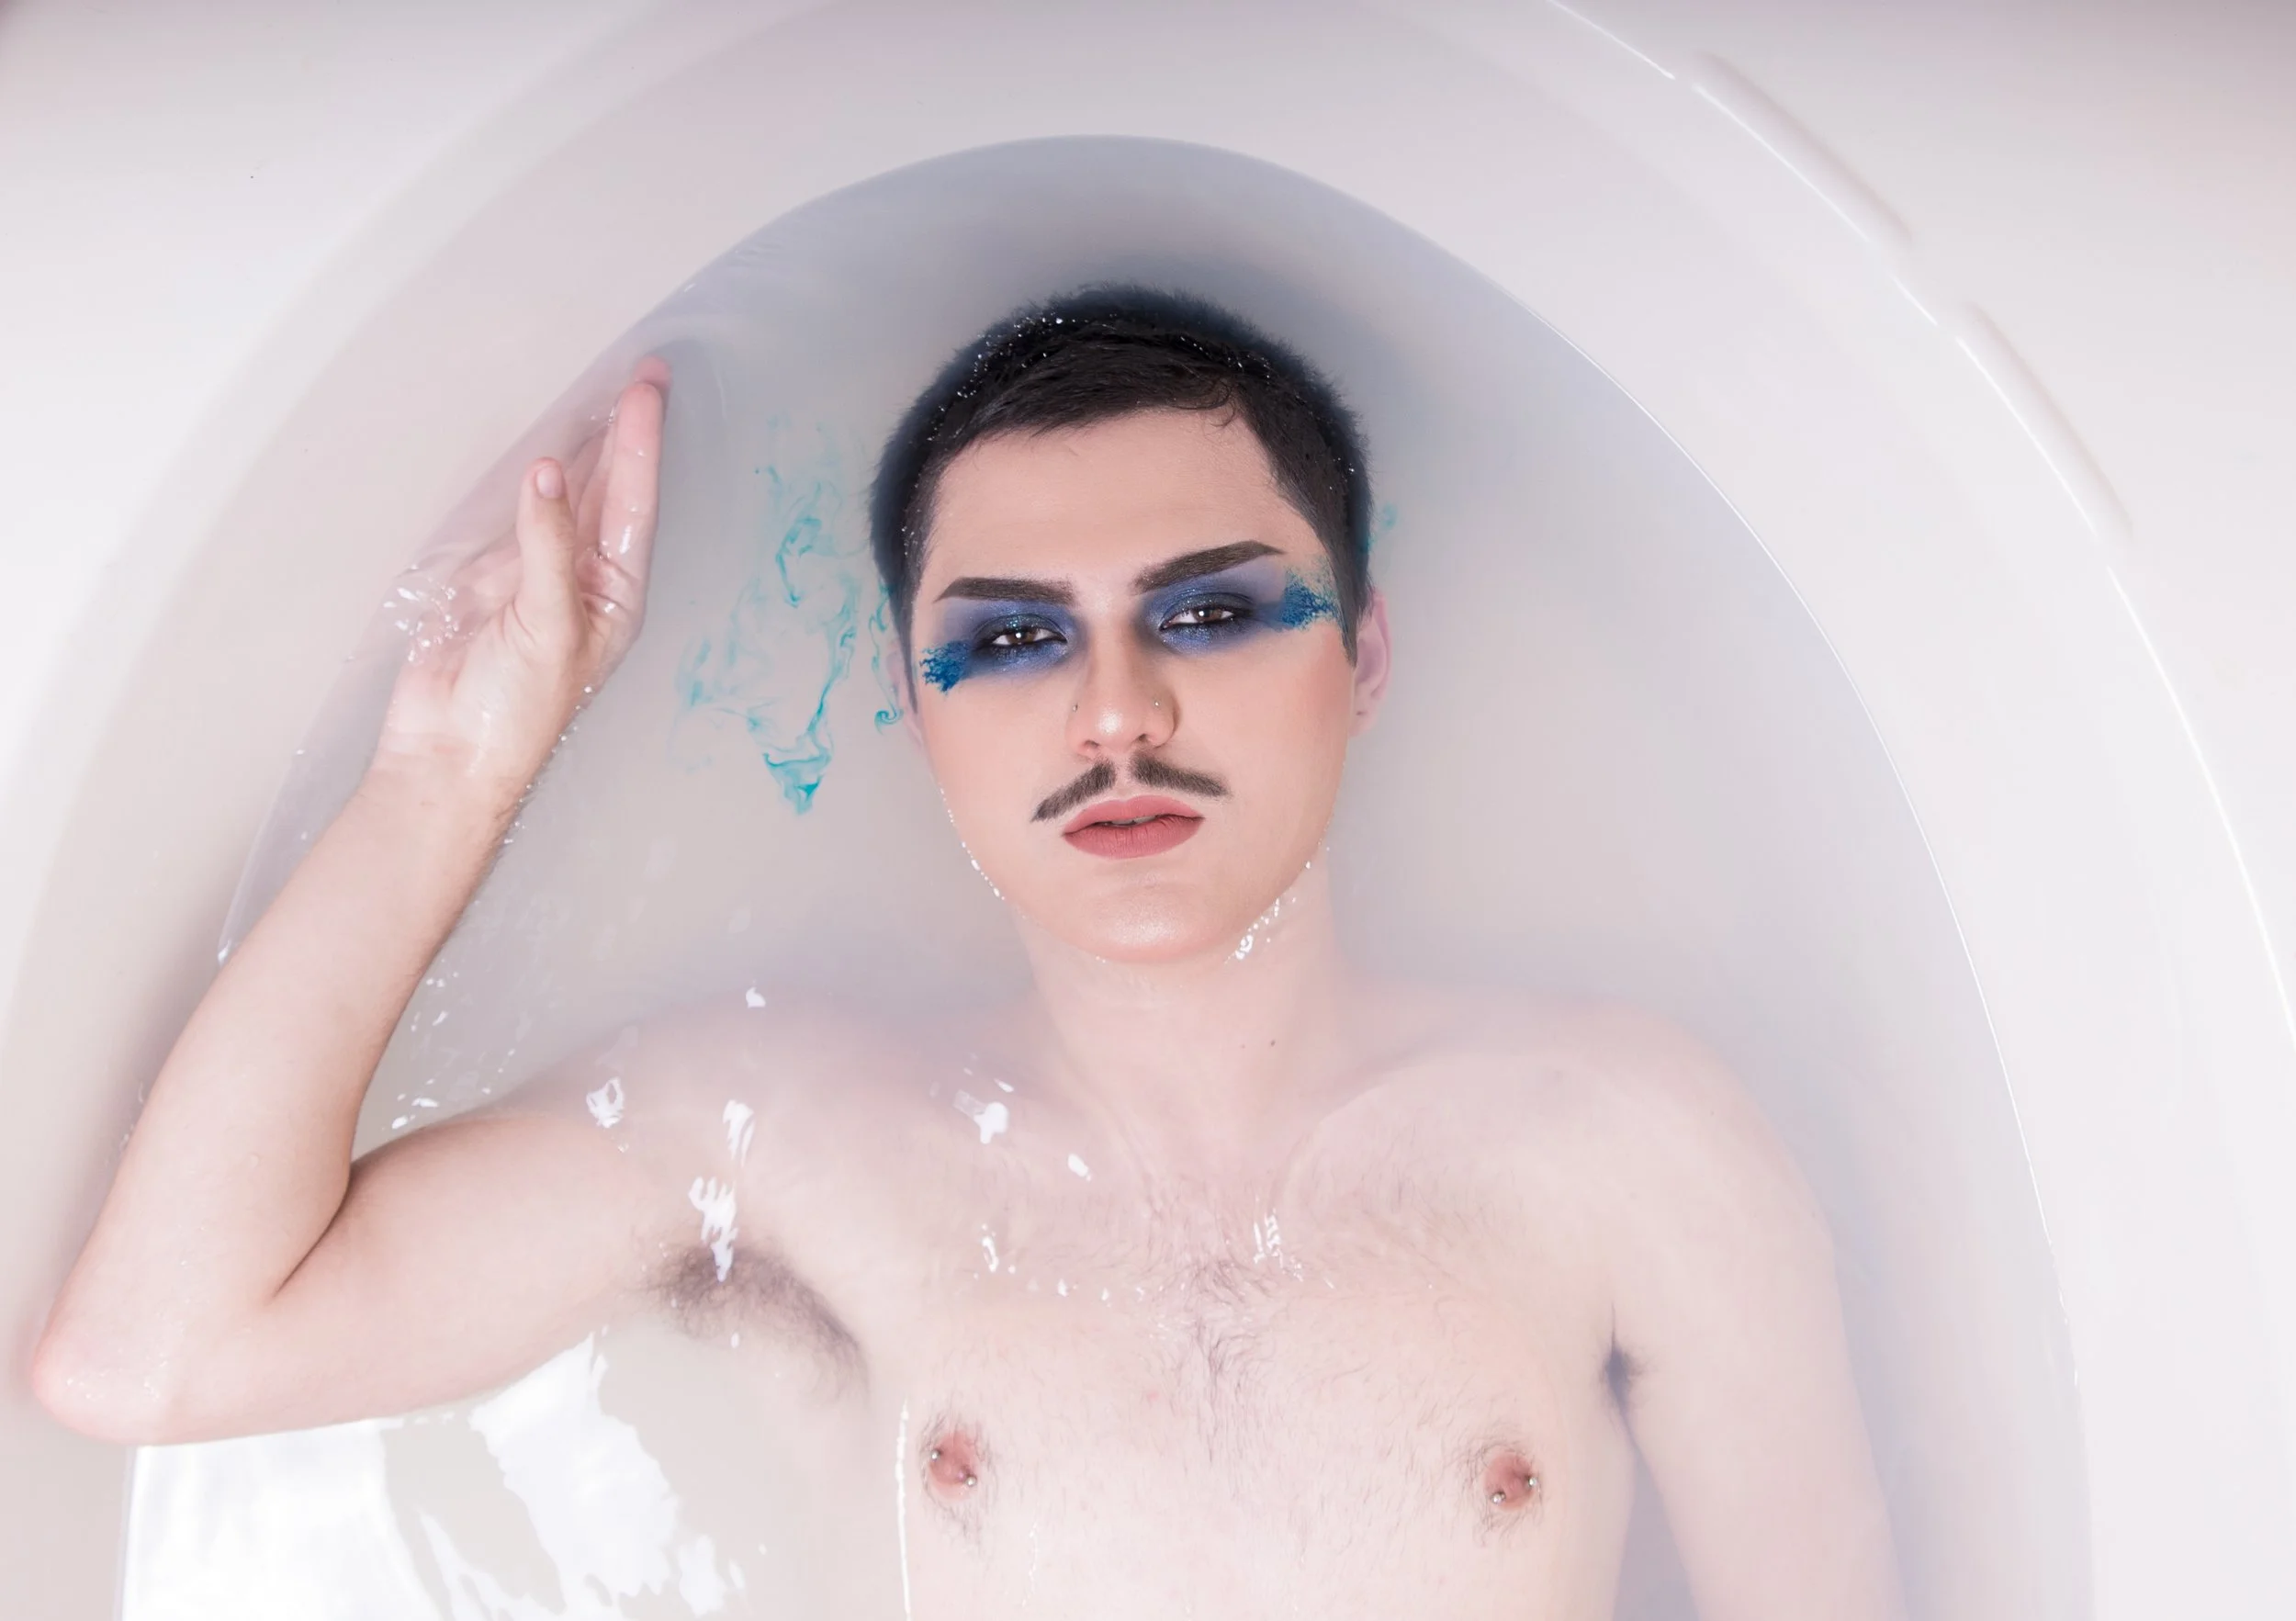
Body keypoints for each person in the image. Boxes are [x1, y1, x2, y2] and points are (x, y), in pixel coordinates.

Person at [36, 291, 1904, 1618]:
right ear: (912, 716)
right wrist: (452, 774)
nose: (1114, 710)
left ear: (1367, 657)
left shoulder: (1619, 1142)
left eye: (1210, 610)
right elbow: (160, 1353)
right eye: (1009, 642)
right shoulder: (787, 1138)